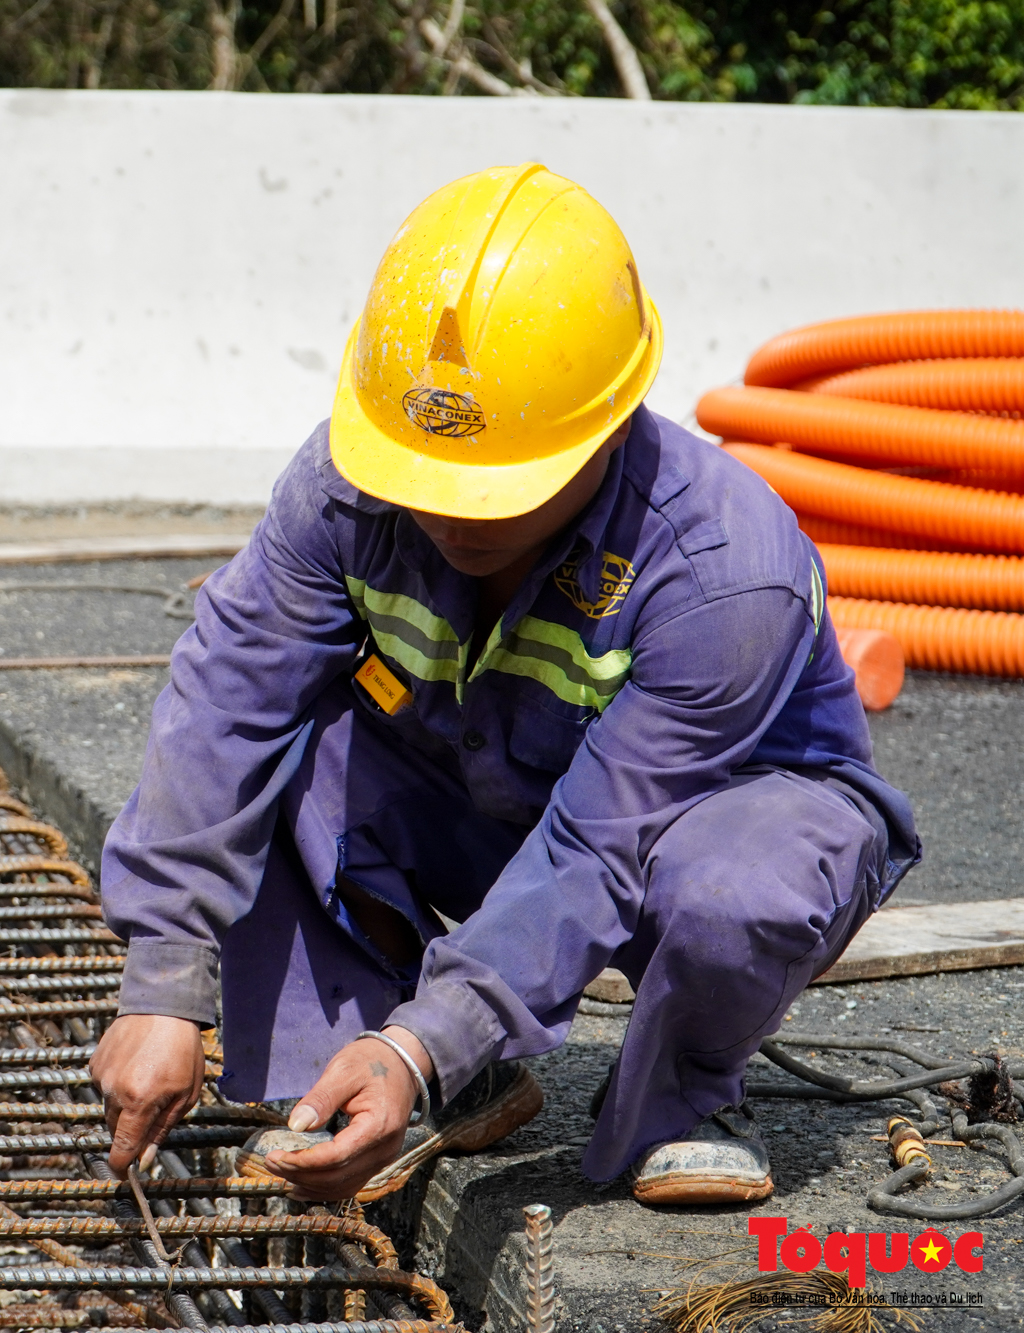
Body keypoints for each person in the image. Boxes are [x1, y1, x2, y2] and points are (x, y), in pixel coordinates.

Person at [88, 163, 919, 1208]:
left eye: (493, 488)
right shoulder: (352, 483)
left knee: (732, 895)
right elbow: (227, 701)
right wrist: (164, 973)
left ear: (607, 424)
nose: (449, 516)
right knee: (281, 758)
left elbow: (596, 845)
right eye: (428, 481)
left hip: (690, 825)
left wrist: (425, 1039)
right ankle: (373, 1064)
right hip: (491, 792)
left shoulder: (719, 570)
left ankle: (683, 1088)